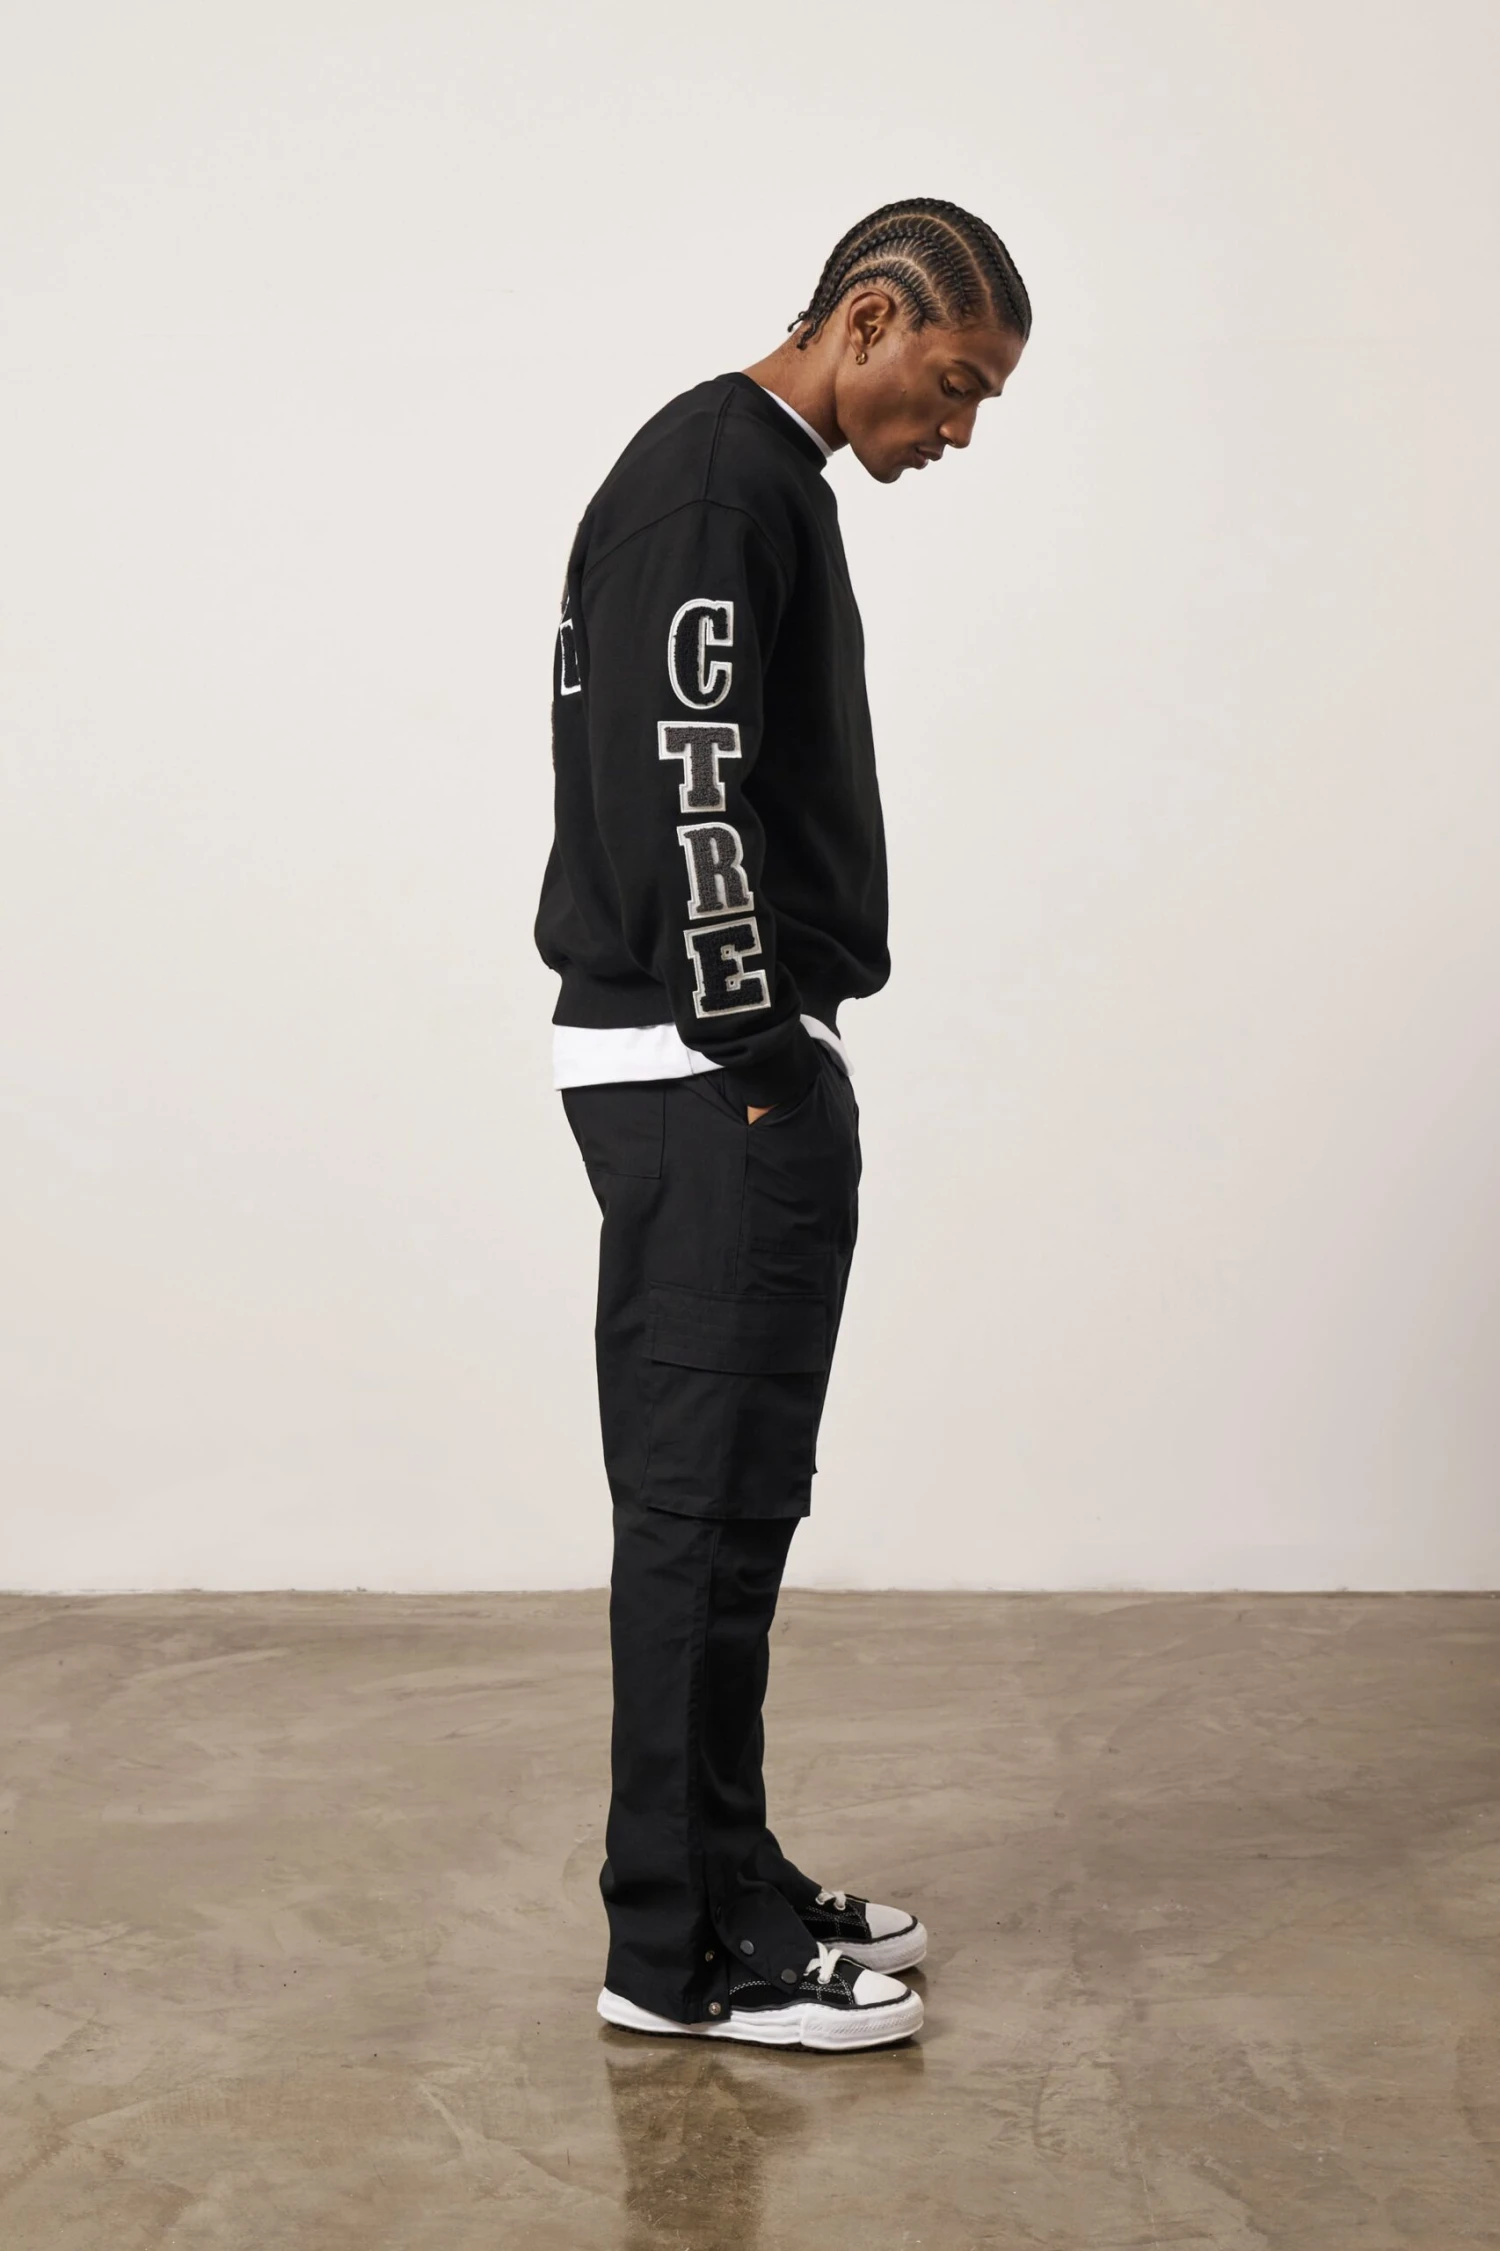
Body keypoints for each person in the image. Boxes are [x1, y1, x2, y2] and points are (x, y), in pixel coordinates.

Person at [534, 198, 1030, 2051]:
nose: (957, 428)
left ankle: (725, 1872)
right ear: (870, 318)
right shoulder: (716, 487)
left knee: (736, 1507)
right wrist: (756, 1041)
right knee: (697, 1509)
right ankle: (680, 1952)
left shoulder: (746, 479)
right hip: (704, 1074)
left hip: (710, 1066)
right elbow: (693, 780)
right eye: (954, 383)